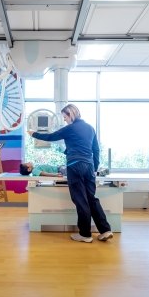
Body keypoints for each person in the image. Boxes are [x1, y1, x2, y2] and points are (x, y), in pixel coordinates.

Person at [28, 104, 113, 243]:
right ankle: (105, 230)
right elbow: (96, 150)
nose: (65, 120)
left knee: (81, 200)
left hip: (75, 166)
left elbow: (51, 136)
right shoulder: (90, 128)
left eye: (65, 117)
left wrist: (33, 134)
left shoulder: (70, 128)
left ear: (71, 114)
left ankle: (85, 234)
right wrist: (94, 168)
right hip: (89, 166)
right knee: (92, 198)